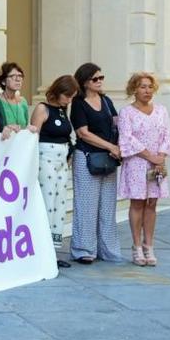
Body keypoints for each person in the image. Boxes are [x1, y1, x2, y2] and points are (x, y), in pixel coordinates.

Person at [117, 72, 170, 266]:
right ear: (134, 89)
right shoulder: (127, 112)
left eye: (150, 87)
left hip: (156, 164)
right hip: (136, 163)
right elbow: (126, 138)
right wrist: (149, 155)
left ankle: (149, 246)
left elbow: (167, 134)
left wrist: (161, 156)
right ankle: (136, 247)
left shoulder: (161, 111)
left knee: (152, 203)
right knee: (138, 203)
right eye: (143, 86)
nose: (147, 91)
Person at [69, 62, 123, 264]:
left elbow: (117, 124)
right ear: (84, 82)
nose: (100, 81)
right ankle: (84, 249)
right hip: (87, 157)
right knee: (86, 205)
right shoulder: (78, 103)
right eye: (95, 79)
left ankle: (108, 249)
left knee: (108, 207)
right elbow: (83, 133)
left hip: (109, 159)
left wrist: (119, 146)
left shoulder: (107, 101)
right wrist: (110, 147)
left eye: (101, 78)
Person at [30, 75, 80, 268]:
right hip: (46, 160)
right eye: (67, 96)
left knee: (59, 204)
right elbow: (34, 135)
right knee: (46, 201)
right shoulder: (43, 108)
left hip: (61, 161)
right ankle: (39, 247)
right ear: (58, 91)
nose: (69, 100)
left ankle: (52, 248)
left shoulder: (62, 110)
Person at [0, 62, 30, 132]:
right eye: (13, 76)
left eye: (20, 76)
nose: (18, 79)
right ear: (3, 81)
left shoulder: (23, 101)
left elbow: (25, 125)